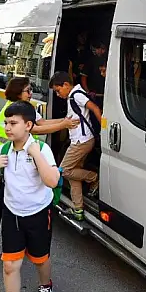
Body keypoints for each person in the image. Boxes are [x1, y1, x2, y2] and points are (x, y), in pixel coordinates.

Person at [0, 101, 60, 292]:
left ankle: (45, 285)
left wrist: (35, 153)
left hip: (38, 213)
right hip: (12, 214)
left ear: (28, 125)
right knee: (10, 265)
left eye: (13, 123)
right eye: (6, 122)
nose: (7, 127)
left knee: (40, 259)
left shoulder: (41, 149)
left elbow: (53, 181)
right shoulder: (3, 151)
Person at [0, 77, 78, 260]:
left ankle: (15, 243)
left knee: (10, 202)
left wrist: (64, 120)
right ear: (18, 93)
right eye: (27, 90)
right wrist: (63, 125)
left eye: (31, 90)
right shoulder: (13, 111)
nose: (31, 93)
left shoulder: (27, 108)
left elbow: (41, 123)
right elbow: (36, 131)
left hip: (13, 162)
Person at [49, 72, 102, 221]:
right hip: (80, 140)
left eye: (58, 90)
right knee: (74, 175)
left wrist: (104, 129)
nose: (58, 95)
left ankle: (94, 178)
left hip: (81, 142)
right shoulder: (73, 95)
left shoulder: (76, 95)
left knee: (64, 171)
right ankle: (78, 209)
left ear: (66, 85)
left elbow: (95, 109)